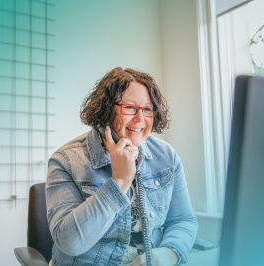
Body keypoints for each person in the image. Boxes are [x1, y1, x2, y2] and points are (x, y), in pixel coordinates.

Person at [46, 67, 198, 265]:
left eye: (148, 109)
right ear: (106, 109)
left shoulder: (167, 156)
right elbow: (69, 243)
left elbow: (183, 220)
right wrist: (119, 181)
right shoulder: (66, 160)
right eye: (129, 107)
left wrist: (169, 253)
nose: (140, 119)